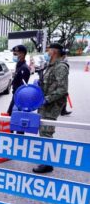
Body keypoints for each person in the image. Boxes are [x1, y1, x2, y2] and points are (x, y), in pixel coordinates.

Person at [33, 43, 69, 173]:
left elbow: (62, 89)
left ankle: (47, 164)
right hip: (45, 105)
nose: (46, 53)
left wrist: (46, 99)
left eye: (48, 51)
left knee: (46, 133)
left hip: (51, 106)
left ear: (53, 52)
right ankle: (45, 160)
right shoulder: (50, 66)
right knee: (43, 132)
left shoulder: (60, 67)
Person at [7, 45, 31, 116]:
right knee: (10, 115)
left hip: (18, 97)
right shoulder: (19, 65)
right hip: (16, 95)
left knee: (11, 115)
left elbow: (22, 86)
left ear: (22, 54)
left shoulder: (24, 68)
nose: (14, 56)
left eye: (15, 54)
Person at [60, 49, 72, 116]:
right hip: (62, 85)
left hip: (60, 85)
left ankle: (63, 110)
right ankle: (62, 111)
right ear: (64, 55)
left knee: (62, 98)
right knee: (63, 97)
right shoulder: (63, 64)